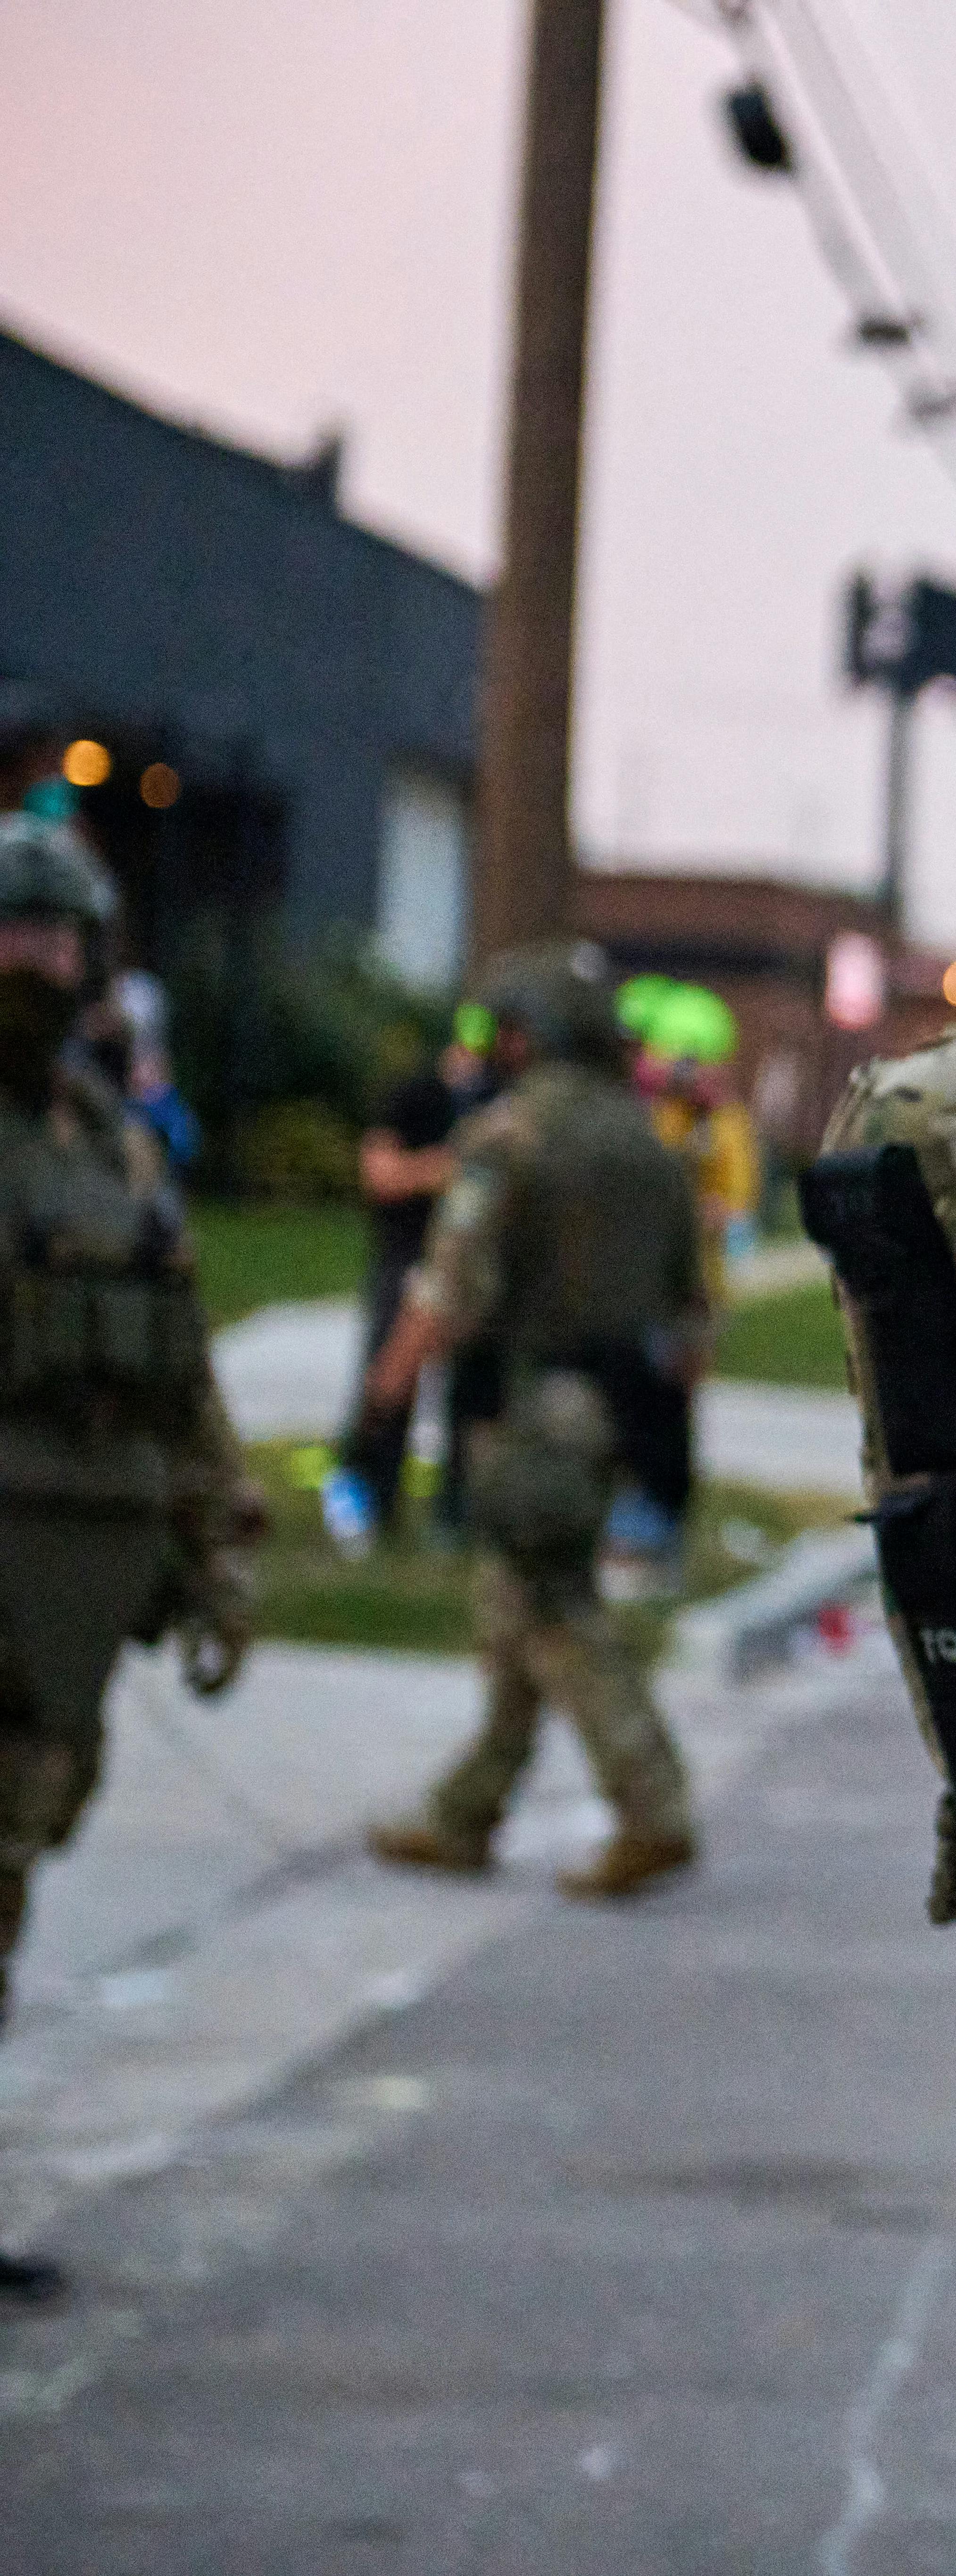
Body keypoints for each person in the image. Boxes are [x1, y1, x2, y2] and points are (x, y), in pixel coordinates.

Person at [0, 811, 262, 2302]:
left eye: (58, 938)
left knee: (19, 1859)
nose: (34, 962)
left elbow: (179, 1362)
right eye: (12, 933)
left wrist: (217, 1540)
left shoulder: (100, 1133)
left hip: (72, 1568)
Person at [360, 944, 705, 1902]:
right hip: (619, 1413)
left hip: (527, 1404)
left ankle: (652, 1807)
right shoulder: (651, 1149)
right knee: (516, 1602)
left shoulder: (509, 1139)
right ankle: (467, 1811)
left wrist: (387, 1386)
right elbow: (693, 1312)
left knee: (552, 1609)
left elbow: (452, 1285)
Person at [323, 1031, 481, 1552]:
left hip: (470, 1264)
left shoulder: (499, 1103)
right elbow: (380, 1174)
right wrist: (439, 1170)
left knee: (474, 1389)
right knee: (391, 1375)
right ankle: (361, 1491)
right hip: (409, 1256)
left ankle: (457, 1516)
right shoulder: (415, 1096)